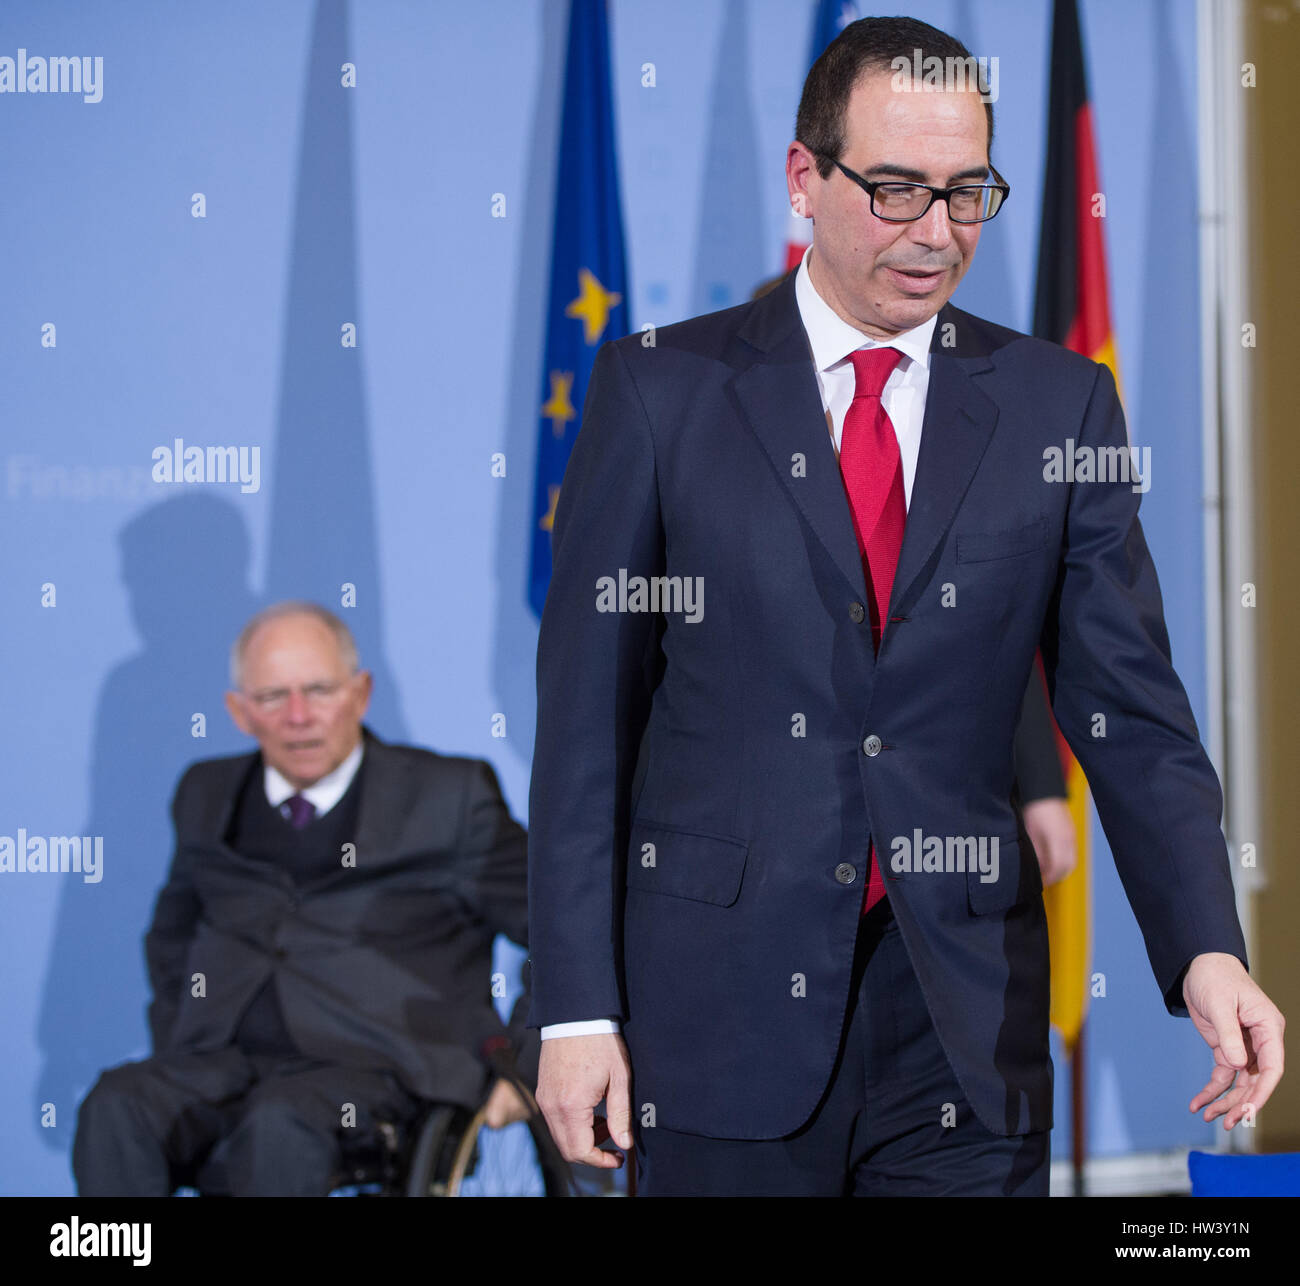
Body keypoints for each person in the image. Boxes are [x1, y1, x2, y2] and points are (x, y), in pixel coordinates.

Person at [526, 16, 1284, 1196]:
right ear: (803, 178)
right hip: (717, 1009)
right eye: (893, 190)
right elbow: (583, 733)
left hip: (964, 1017)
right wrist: (573, 1006)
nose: (937, 233)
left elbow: (1128, 708)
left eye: (967, 191)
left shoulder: (1058, 407)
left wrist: (1203, 946)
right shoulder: (660, 391)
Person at [74, 601, 535, 1196]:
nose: (298, 717)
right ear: (239, 712)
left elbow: (557, 929)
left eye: (318, 690)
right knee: (116, 1104)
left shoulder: (448, 799)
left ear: (361, 694)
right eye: (272, 697)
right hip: (225, 1057)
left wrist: (529, 1062)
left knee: (279, 1125)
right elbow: (172, 933)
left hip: (379, 1066)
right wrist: (182, 1028)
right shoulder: (205, 794)